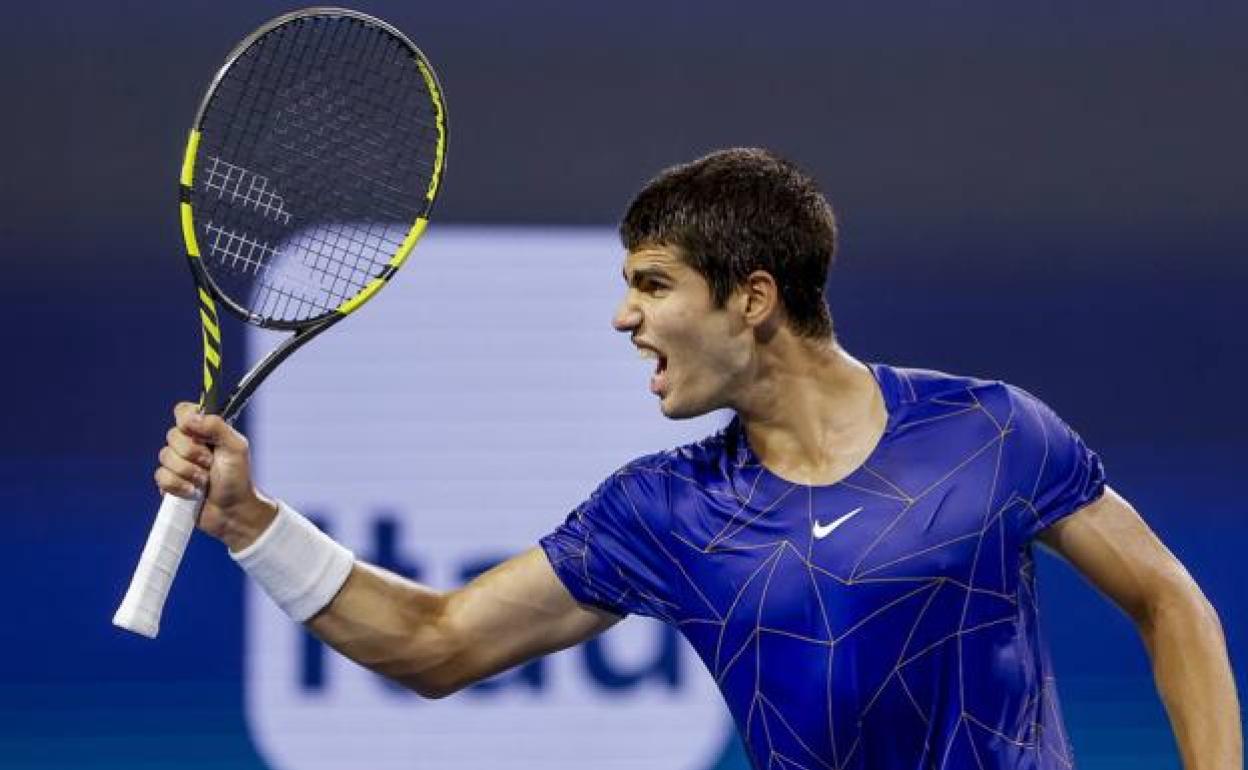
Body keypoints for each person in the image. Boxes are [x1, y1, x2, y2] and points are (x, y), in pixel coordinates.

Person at [154, 148, 1241, 769]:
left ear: (753, 297)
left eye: (653, 283)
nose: (623, 317)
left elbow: (1168, 598)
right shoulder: (662, 512)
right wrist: (252, 521)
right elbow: (435, 643)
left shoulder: (991, 430)